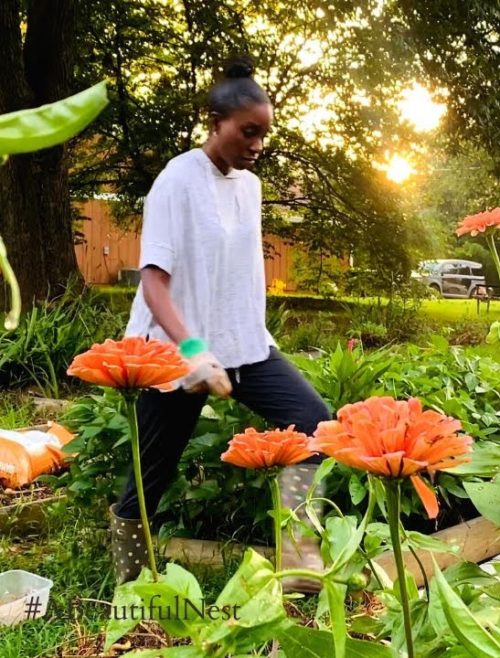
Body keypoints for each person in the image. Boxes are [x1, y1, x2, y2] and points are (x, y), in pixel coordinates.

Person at [111, 58, 329, 593]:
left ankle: (300, 558)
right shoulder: (176, 180)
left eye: (263, 134)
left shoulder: (249, 187)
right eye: (247, 131)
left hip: (244, 345)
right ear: (215, 121)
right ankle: (128, 578)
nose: (256, 144)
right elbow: (154, 281)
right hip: (174, 352)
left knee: (315, 423)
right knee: (152, 471)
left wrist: (228, 342)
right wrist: (193, 349)